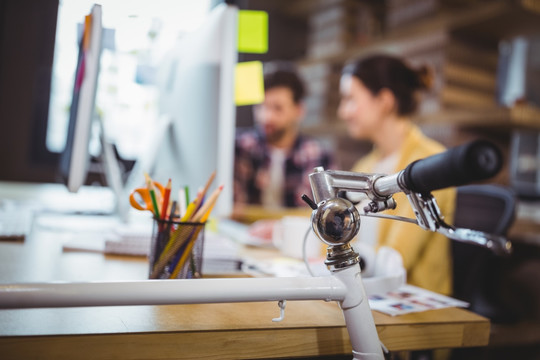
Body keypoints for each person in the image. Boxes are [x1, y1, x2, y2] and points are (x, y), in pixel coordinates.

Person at [337, 54, 456, 295]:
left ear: (384, 101)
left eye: (350, 99)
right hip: (365, 293)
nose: (343, 112)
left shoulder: (431, 165)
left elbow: (396, 258)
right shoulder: (366, 164)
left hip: (409, 307)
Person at [234, 63, 334, 209]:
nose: (266, 117)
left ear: (299, 110)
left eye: (277, 108)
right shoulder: (240, 148)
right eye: (261, 107)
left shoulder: (318, 155)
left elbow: (326, 215)